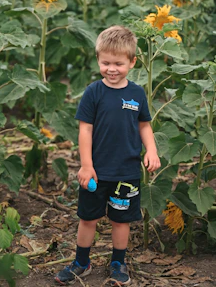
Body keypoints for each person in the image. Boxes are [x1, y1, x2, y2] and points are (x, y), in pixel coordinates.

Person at [54, 25, 161, 286]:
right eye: (105, 63)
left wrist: (153, 150)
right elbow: (85, 131)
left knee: (120, 220)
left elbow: (144, 124)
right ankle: (82, 262)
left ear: (132, 62)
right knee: (88, 218)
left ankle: (117, 262)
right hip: (96, 172)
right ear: (98, 60)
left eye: (118, 63)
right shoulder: (93, 92)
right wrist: (86, 166)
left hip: (126, 172)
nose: (111, 69)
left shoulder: (136, 93)